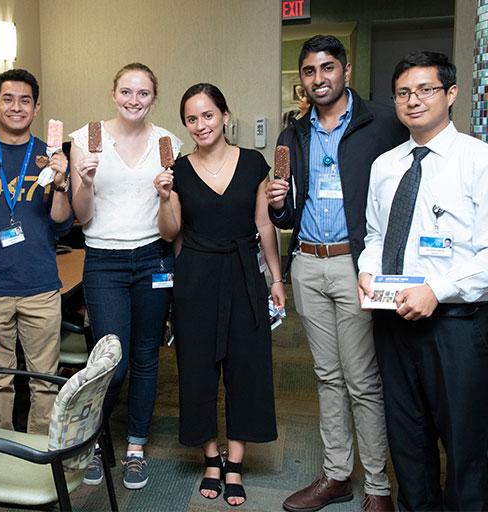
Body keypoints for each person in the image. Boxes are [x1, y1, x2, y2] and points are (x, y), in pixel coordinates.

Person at [266, 35, 408, 512]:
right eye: (309, 71)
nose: (318, 78)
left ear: (345, 70)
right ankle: (335, 475)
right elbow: (286, 215)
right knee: (327, 376)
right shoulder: (293, 134)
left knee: (363, 379)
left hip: (357, 265)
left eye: (327, 68)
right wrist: (279, 206)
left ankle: (379, 487)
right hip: (307, 263)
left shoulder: (382, 122)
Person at [358, 51, 488, 511]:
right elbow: (376, 233)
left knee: (466, 446)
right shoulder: (386, 165)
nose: (413, 101)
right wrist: (367, 268)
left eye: (425, 90)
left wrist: (438, 290)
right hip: (393, 320)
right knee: (408, 442)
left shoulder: (478, 160)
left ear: (450, 94)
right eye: (403, 93)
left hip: (455, 324)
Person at [154, 83, 285, 507]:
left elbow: (264, 225)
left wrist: (277, 280)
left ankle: (237, 460)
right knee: (197, 368)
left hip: (244, 270)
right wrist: (164, 196)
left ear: (225, 116)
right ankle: (211, 457)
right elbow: (171, 233)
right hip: (196, 274)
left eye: (208, 115)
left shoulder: (253, 164)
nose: (200, 125)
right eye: (191, 119)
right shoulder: (177, 169)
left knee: (246, 365)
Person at [70, 62, 182, 490]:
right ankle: (96, 441)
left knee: (146, 357)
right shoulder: (86, 139)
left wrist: (167, 196)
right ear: (113, 93)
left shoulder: (168, 141)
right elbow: (81, 218)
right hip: (104, 261)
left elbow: (172, 224)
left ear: (154, 97)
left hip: (153, 259)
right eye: (126, 92)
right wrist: (84, 182)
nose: (134, 100)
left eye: (143, 93)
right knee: (110, 364)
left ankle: (135, 448)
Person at [0, 68, 72, 434]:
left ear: (36, 108)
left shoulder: (52, 158)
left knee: (43, 380)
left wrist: (61, 184)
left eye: (25, 100)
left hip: (40, 287)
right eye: (8, 99)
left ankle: (37, 462)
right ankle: (4, 459)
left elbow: (62, 224)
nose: (16, 107)